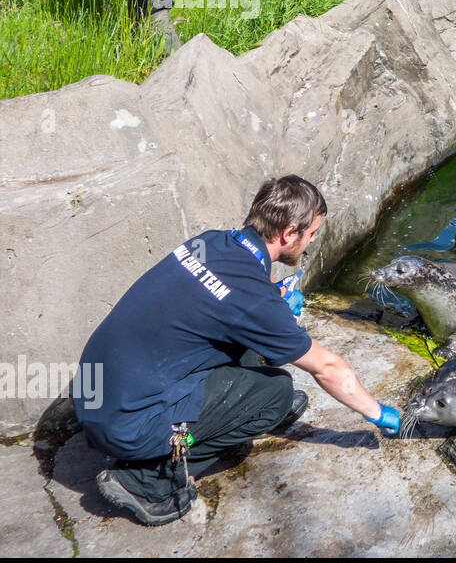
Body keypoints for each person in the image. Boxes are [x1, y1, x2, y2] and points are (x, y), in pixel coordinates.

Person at [73, 176, 402, 526]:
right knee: (276, 392)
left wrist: (272, 298)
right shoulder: (252, 300)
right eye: (311, 234)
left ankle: (226, 414)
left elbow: (218, 299)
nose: (312, 242)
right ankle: (147, 481)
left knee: (240, 344)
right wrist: (378, 412)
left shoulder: (211, 242)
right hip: (125, 425)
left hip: (92, 391)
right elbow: (327, 368)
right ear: (289, 233)